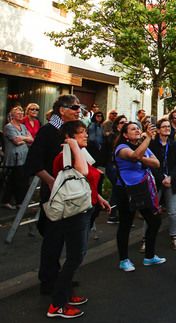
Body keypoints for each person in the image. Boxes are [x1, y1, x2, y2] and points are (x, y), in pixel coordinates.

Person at [45, 120, 110, 319]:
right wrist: (73, 145)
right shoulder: (66, 156)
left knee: (77, 255)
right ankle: (57, 305)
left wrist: (98, 197)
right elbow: (81, 171)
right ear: (70, 137)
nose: (86, 136)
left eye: (85, 132)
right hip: (74, 214)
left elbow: (85, 181)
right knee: (75, 257)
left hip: (84, 209)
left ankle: (66, 295)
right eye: (81, 133)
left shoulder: (78, 154)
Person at [26, 94, 82, 296]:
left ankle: (60, 276)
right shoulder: (48, 131)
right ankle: (48, 281)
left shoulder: (70, 133)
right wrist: (51, 182)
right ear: (62, 110)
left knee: (65, 237)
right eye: (74, 107)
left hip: (71, 193)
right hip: (54, 194)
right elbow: (33, 163)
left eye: (79, 108)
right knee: (52, 238)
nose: (78, 111)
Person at [114, 122, 165, 272]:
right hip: (126, 190)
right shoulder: (121, 148)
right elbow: (135, 155)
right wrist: (148, 139)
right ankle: (124, 260)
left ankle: (149, 256)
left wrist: (141, 157)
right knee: (126, 224)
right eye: (132, 129)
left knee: (155, 220)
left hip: (143, 189)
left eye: (138, 128)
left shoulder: (143, 147)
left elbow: (156, 163)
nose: (137, 130)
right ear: (125, 135)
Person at [148, 118, 176, 251]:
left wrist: (170, 177)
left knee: (172, 212)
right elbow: (150, 164)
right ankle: (146, 238)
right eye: (164, 127)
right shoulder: (152, 144)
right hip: (157, 181)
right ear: (159, 129)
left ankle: (174, 236)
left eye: (168, 126)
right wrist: (162, 177)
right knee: (152, 211)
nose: (167, 128)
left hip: (171, 181)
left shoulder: (174, 144)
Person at [3, 106, 33, 209]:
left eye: (21, 113)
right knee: (17, 181)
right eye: (18, 113)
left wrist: (22, 139)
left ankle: (9, 201)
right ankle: (18, 203)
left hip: (23, 157)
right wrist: (25, 139)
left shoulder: (23, 126)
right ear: (12, 115)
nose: (21, 115)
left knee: (18, 180)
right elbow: (16, 141)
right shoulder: (9, 127)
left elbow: (31, 139)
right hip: (14, 158)